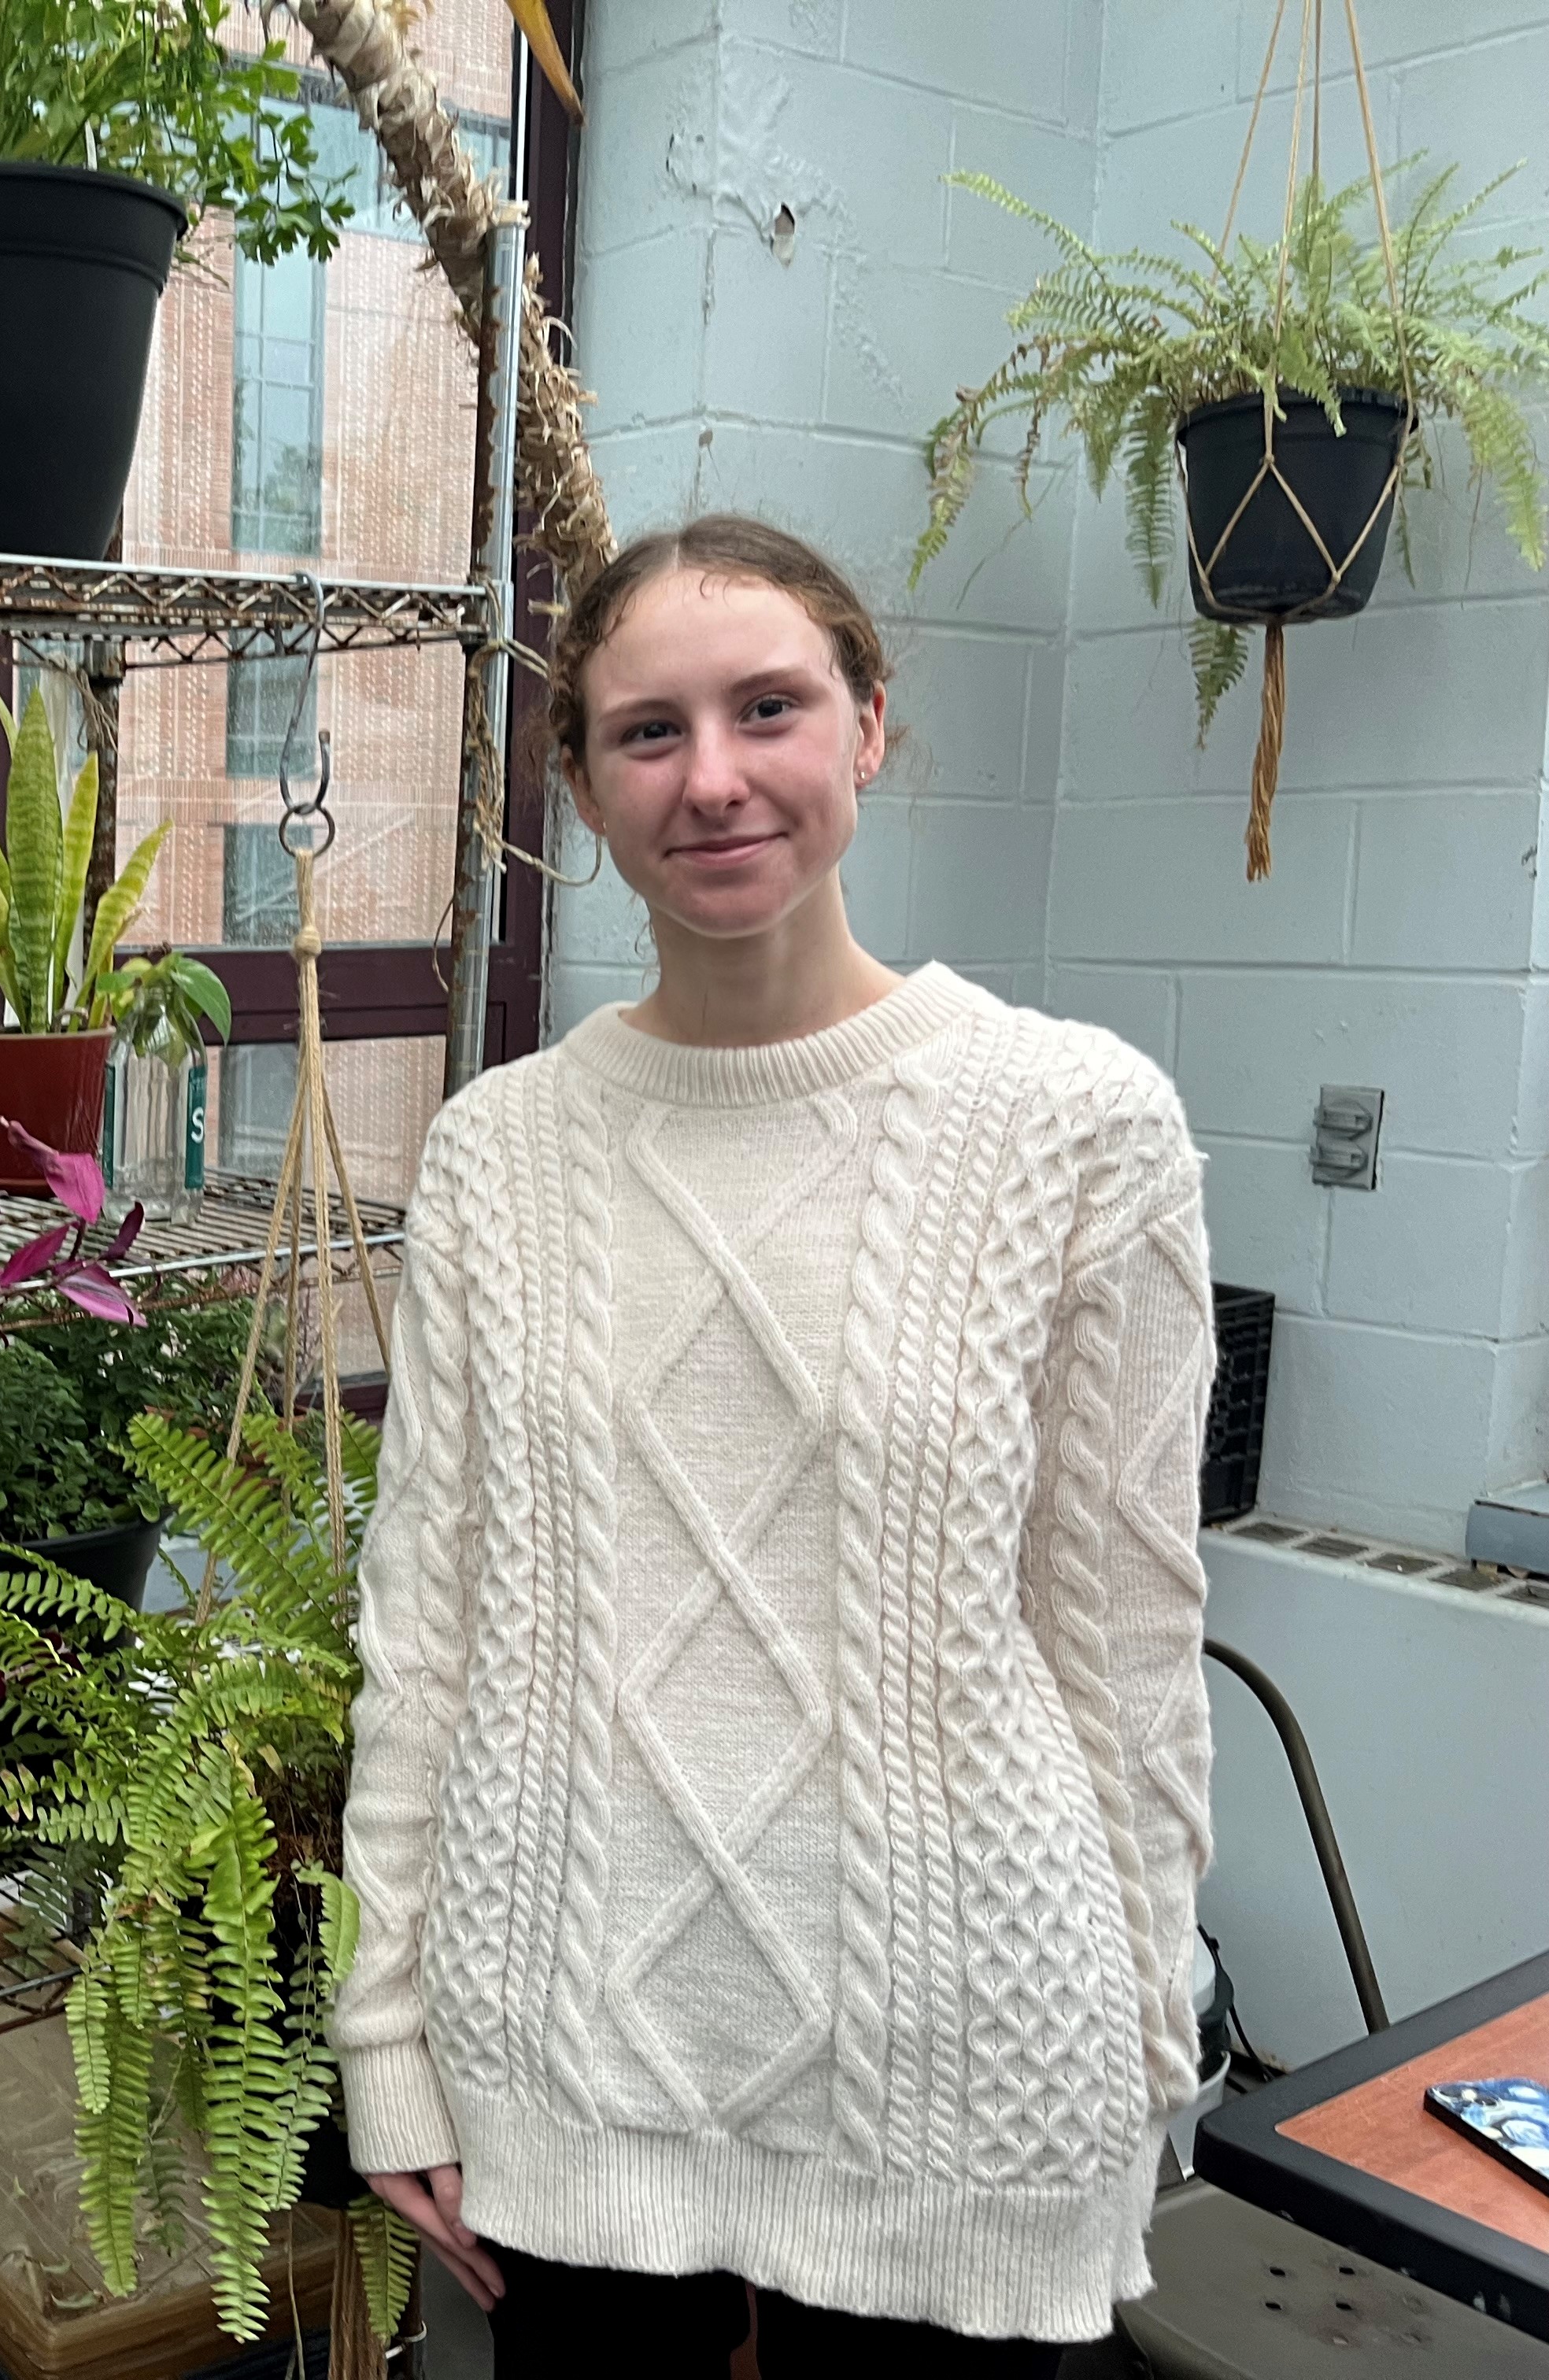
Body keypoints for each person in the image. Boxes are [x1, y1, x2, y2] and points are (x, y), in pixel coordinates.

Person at [335, 516, 1214, 2375]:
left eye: (770, 708)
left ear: (870, 725)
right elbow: (428, 1641)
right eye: (648, 733)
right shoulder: (499, 1155)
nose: (714, 779)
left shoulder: (1080, 1127)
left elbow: (1128, 1655)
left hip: (971, 2053)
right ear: (576, 781)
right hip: (567, 2037)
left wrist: (1150, 2037)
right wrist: (386, 2043)